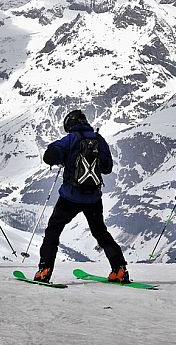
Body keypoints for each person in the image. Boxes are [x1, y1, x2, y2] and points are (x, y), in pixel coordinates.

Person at [34, 109, 129, 283]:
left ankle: (45, 270)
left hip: (70, 196)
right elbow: (107, 167)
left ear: (70, 123)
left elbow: (50, 156)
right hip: (93, 198)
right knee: (100, 232)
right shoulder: (98, 139)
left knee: (53, 230)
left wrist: (63, 157)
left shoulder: (71, 138)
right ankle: (119, 269)